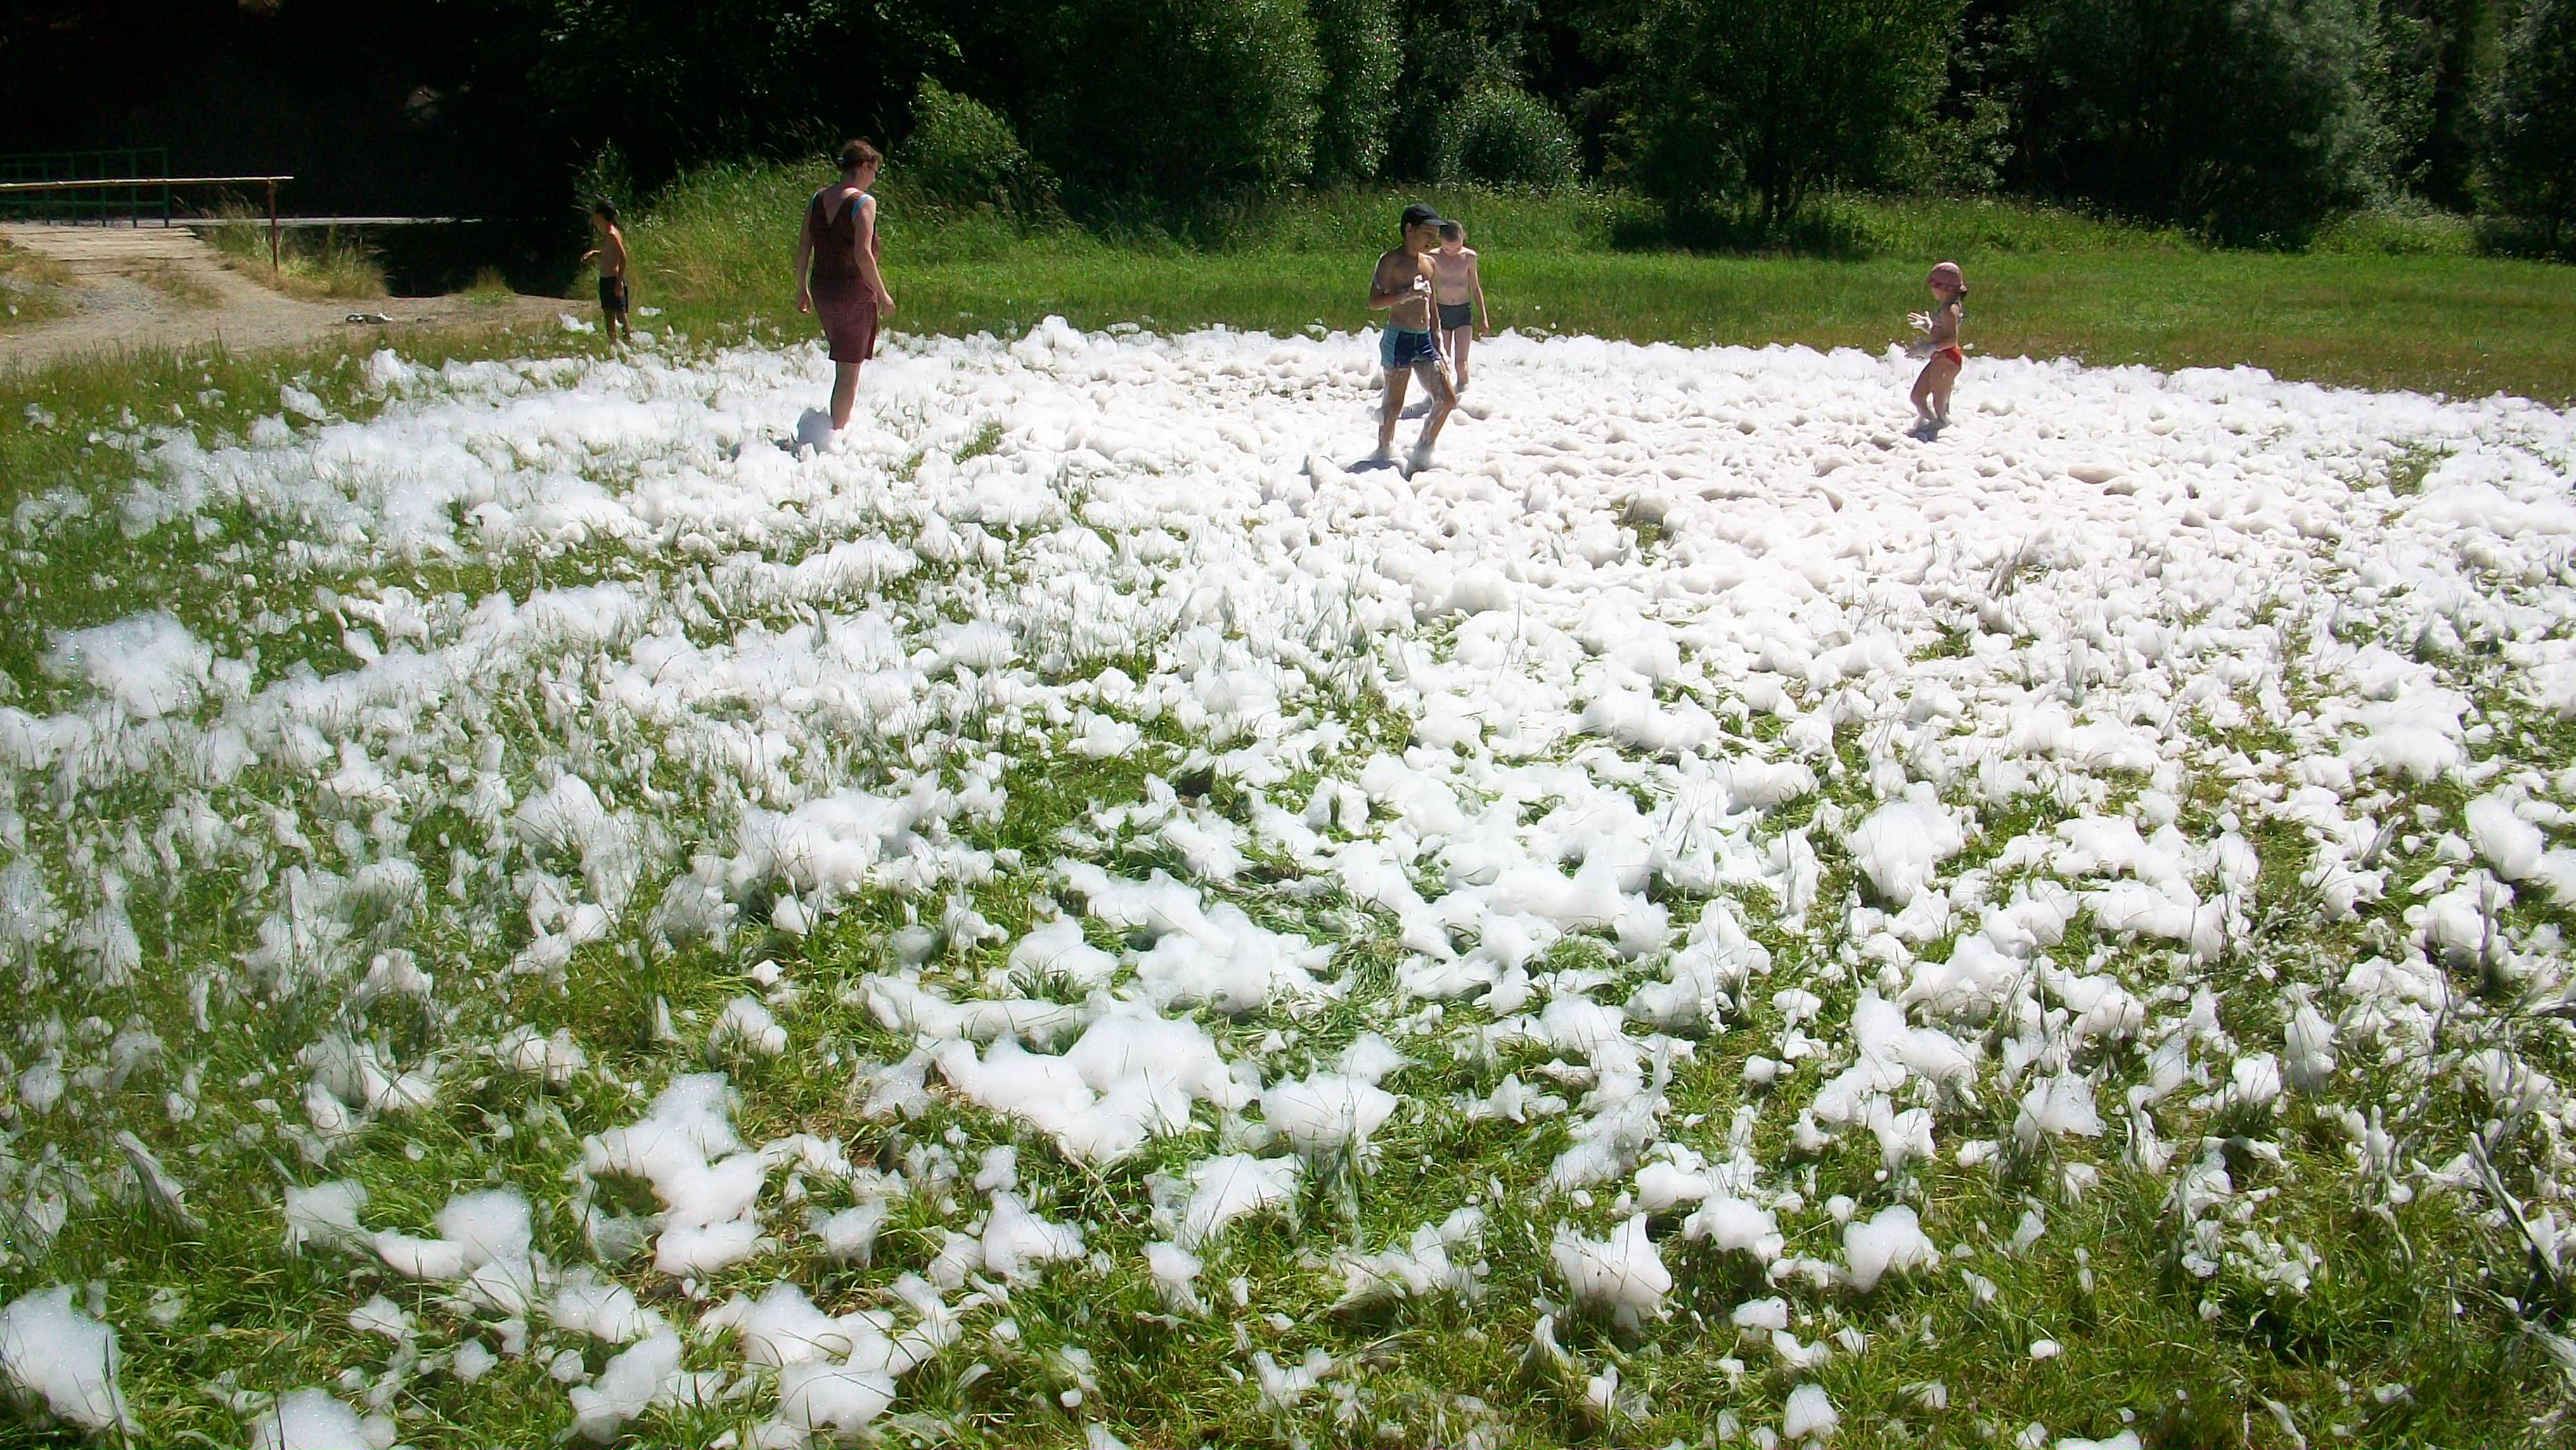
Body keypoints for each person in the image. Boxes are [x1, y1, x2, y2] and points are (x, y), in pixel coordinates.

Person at [794, 139, 898, 432]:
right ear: (864, 167)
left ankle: (832, 430)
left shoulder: (817, 199)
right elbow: (863, 254)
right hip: (852, 291)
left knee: (843, 360)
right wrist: (883, 295)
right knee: (849, 370)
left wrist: (801, 289)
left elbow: (804, 246)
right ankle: (835, 436)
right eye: (874, 171)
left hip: (822, 288)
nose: (875, 177)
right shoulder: (863, 203)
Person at [1368, 203, 1457, 474]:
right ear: (1409, 230)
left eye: (1434, 235)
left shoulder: (1429, 263)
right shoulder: (1391, 261)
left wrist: (1438, 340)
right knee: (1393, 407)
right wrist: (1405, 295)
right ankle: (1383, 454)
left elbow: (1432, 304)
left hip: (1424, 340)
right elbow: (1374, 302)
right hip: (1399, 338)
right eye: (1427, 233)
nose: (1432, 240)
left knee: (1447, 399)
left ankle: (1422, 453)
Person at [1907, 260, 1966, 434]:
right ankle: (1930, 427)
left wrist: (1929, 348)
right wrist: (1928, 326)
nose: (1931, 290)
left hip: (1947, 359)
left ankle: (1945, 433)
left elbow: (1952, 339)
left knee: (1939, 404)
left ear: (1943, 287)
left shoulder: (1949, 309)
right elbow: (1942, 332)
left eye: (1933, 285)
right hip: (1940, 358)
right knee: (1917, 397)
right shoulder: (1946, 307)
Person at [1431, 219, 1488, 392]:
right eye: (1448, 249)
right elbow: (1429, 290)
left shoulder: (1469, 257)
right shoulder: (1433, 257)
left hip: (1463, 311)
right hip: (1442, 311)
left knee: (1461, 362)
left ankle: (1464, 392)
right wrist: (1430, 315)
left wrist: (1484, 317)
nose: (1453, 253)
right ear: (1440, 241)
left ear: (1464, 238)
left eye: (1457, 248)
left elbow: (1475, 288)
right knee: (1444, 360)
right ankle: (1443, 395)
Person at [580, 199, 630, 345]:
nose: (594, 218)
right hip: (606, 279)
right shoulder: (607, 235)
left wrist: (619, 282)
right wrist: (594, 253)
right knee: (609, 316)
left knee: (620, 315)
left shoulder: (612, 235)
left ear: (601, 216)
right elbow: (609, 254)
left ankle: (628, 342)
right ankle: (613, 345)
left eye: (596, 215)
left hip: (613, 280)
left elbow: (623, 258)